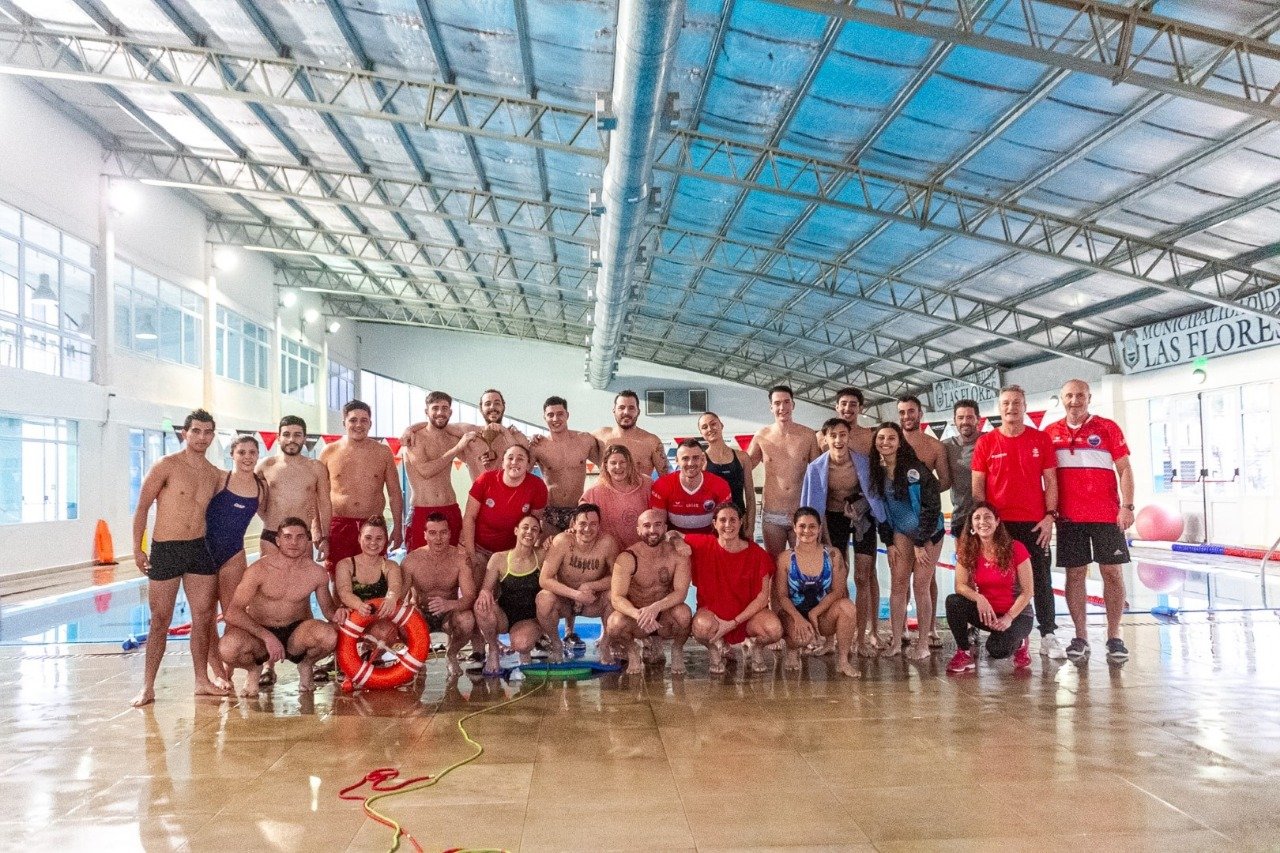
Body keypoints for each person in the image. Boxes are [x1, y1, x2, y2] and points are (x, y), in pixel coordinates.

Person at [130, 408, 227, 707]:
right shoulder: (166, 466)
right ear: (185, 433)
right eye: (196, 431)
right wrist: (137, 548)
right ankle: (147, 686)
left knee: (204, 617)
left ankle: (201, 680)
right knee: (160, 619)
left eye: (207, 432)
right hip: (167, 548)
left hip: (199, 548)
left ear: (213, 436)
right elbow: (142, 507)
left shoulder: (214, 474)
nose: (201, 437)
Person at [1044, 379, 1134, 662]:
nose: (1075, 401)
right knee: (1075, 575)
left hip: (1107, 515)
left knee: (1112, 573)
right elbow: (1044, 476)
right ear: (1062, 399)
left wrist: (1127, 506)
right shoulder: (1050, 433)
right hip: (1069, 517)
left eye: (1080, 395)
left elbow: (1125, 469)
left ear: (1089, 398)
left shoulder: (1107, 428)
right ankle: (1080, 636)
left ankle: (1114, 636)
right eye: (1069, 395)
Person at [972, 385, 1065, 659]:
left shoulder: (1041, 439)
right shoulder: (986, 442)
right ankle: (1006, 628)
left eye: (1016, 403)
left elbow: (1051, 481)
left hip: (1034, 524)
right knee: (999, 579)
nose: (1011, 408)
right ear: (999, 408)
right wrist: (986, 523)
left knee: (1041, 578)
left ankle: (1047, 634)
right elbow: (978, 488)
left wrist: (1050, 516)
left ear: (1024, 407)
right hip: (999, 525)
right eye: (1006, 403)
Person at [219, 518, 343, 696]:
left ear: (307, 541)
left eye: (300, 537)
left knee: (330, 636)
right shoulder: (259, 569)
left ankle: (306, 664)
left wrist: (341, 612)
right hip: (260, 634)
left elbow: (329, 611)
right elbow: (233, 612)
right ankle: (254, 669)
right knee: (228, 648)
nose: (294, 542)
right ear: (278, 541)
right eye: (288, 537)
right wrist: (267, 636)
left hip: (296, 633)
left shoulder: (316, 572)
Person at [800, 416, 885, 657]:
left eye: (843, 435)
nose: (838, 440)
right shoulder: (816, 468)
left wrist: (861, 506)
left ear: (849, 437)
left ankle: (861, 639)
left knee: (863, 576)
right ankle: (831, 640)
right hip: (832, 520)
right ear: (825, 439)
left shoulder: (864, 463)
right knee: (835, 578)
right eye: (833, 436)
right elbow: (814, 507)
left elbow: (875, 495)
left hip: (862, 519)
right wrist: (823, 539)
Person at [869, 422, 944, 660]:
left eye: (891, 438)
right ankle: (896, 642)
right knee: (898, 585)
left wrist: (920, 542)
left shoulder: (915, 470)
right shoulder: (877, 472)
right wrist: (889, 542)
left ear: (900, 442)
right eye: (881, 438)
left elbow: (932, 506)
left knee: (921, 586)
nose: (885, 442)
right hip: (901, 532)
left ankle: (922, 643)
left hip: (929, 533)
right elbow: (881, 512)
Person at [683, 502, 781, 675]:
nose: (728, 525)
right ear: (714, 524)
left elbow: (762, 597)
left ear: (741, 522)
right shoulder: (703, 544)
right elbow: (672, 534)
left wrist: (733, 623)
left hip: (748, 617)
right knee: (701, 628)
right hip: (714, 615)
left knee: (773, 629)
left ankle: (756, 648)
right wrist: (678, 543)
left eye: (733, 520)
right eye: (723, 520)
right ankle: (715, 649)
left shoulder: (757, 554)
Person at [819, 388, 883, 650]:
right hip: (833, 514)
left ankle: (871, 631)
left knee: (866, 574)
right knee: (837, 573)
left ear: (860, 408)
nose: (848, 408)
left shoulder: (869, 437)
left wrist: (863, 504)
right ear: (836, 407)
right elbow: (816, 477)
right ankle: (837, 633)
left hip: (863, 514)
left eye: (853, 404)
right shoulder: (823, 436)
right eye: (843, 404)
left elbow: (877, 478)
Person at [204, 434, 269, 686]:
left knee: (233, 614)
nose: (247, 457)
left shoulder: (261, 488)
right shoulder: (220, 479)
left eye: (252, 452)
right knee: (206, 616)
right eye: (242, 452)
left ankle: (229, 666)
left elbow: (270, 518)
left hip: (234, 554)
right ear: (232, 454)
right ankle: (216, 671)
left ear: (258, 455)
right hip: (205, 552)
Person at [945, 502, 1035, 673]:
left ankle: (1021, 643)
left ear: (997, 522)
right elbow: (960, 586)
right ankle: (964, 653)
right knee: (954, 602)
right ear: (972, 524)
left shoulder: (1016, 548)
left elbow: (1028, 591)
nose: (982, 522)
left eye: (988, 517)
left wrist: (1008, 617)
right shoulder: (968, 550)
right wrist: (979, 598)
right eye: (977, 518)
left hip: (1017, 615)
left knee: (997, 650)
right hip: (989, 614)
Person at [604, 509, 693, 675]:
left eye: (658, 525)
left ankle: (677, 649)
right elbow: (616, 598)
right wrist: (639, 614)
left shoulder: (677, 555)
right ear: (638, 530)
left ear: (665, 528)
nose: (652, 530)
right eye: (646, 526)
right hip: (638, 620)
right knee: (614, 624)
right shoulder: (627, 557)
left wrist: (656, 608)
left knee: (684, 614)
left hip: (664, 617)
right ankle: (632, 649)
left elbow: (681, 593)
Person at [319, 400, 404, 573]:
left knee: (375, 577)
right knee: (339, 575)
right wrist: (318, 531)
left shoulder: (383, 452)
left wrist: (398, 527)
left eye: (364, 420)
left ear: (370, 424)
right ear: (344, 423)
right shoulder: (329, 452)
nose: (358, 425)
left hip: (373, 525)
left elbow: (395, 493)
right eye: (353, 420)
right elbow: (317, 496)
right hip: (339, 525)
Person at [775, 508, 858, 677]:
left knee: (848, 607)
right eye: (802, 526)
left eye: (812, 526)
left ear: (820, 528)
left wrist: (815, 612)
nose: (807, 531)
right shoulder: (785, 558)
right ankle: (792, 649)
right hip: (793, 615)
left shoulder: (833, 555)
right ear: (794, 527)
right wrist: (798, 618)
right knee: (801, 638)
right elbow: (782, 596)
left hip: (821, 617)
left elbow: (838, 591)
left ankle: (843, 661)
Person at [536, 503, 619, 662]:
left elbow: (617, 578)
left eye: (593, 524)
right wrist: (576, 594)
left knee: (613, 596)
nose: (587, 529)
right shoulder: (562, 541)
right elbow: (544, 579)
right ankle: (556, 643)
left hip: (592, 601)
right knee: (543, 599)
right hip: (565, 602)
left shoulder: (607, 543)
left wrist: (589, 586)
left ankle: (605, 644)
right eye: (582, 524)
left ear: (599, 525)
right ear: (573, 524)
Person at [897, 395, 950, 648]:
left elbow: (945, 481)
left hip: (927, 520)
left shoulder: (934, 446)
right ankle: (902, 627)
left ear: (920, 414)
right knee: (901, 575)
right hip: (901, 519)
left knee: (927, 578)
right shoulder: (891, 442)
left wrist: (922, 495)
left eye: (911, 411)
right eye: (902, 412)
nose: (906, 416)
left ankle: (929, 628)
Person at [747, 385, 821, 561]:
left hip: (801, 513)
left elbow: (819, 474)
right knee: (774, 565)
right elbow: (745, 466)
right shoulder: (762, 436)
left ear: (793, 405)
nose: (782, 407)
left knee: (803, 565)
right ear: (771, 407)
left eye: (786, 402)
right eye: (777, 403)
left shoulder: (808, 435)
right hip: (773, 513)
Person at [400, 391, 481, 549]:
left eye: (444, 408)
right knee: (419, 560)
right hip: (423, 509)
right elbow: (425, 471)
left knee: (455, 558)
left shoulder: (451, 438)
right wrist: (457, 448)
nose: (440, 412)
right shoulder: (415, 438)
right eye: (435, 408)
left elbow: (474, 458)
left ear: (450, 412)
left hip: (450, 508)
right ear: (426, 411)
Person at [401, 511, 477, 676]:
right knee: (404, 621)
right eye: (433, 533)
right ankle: (418, 656)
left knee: (467, 620)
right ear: (425, 535)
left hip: (448, 615)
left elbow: (470, 597)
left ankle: (451, 654)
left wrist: (449, 604)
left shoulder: (460, 559)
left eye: (443, 532)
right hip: (421, 613)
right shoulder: (411, 561)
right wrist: (410, 610)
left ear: (449, 534)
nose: (438, 538)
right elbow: (399, 599)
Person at [474, 514, 546, 676]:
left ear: (538, 535)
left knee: (521, 644)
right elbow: (486, 589)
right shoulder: (499, 558)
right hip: (504, 617)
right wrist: (484, 593)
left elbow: (562, 545)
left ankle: (526, 650)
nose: (529, 532)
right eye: (525, 527)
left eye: (534, 529)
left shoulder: (542, 555)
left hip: (530, 618)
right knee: (481, 605)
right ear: (516, 531)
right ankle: (493, 650)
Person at [257, 415, 331, 558]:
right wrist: (264, 515)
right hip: (271, 534)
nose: (291, 439)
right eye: (286, 434)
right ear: (278, 438)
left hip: (302, 535)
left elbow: (325, 503)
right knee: (270, 573)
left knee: (303, 573)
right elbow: (250, 494)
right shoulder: (265, 465)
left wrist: (325, 537)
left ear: (304, 438)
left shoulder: (316, 467)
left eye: (297, 435)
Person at [529, 396, 601, 536]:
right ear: (544, 418)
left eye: (560, 414)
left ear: (567, 415)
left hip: (577, 511)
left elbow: (605, 466)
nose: (555, 419)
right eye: (550, 415)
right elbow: (520, 475)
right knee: (548, 548)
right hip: (550, 512)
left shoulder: (585, 440)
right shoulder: (538, 446)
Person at [333, 516, 405, 652]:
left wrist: (391, 598)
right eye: (368, 538)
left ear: (385, 541)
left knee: (386, 631)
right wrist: (359, 605)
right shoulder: (345, 565)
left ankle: (374, 656)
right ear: (359, 538)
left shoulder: (391, 566)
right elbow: (344, 592)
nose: (373, 543)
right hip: (352, 616)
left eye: (379, 538)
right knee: (332, 630)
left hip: (379, 620)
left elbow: (395, 587)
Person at [649, 438, 732, 534]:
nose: (691, 463)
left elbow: (725, 529)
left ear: (703, 459)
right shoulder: (662, 485)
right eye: (685, 458)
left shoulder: (720, 485)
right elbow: (659, 529)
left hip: (710, 541)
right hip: (674, 541)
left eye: (695, 458)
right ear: (677, 460)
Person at [581, 444, 653, 549]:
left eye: (622, 462)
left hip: (644, 549)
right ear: (606, 465)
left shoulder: (646, 484)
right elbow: (580, 515)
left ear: (629, 463)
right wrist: (573, 527)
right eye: (613, 463)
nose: (618, 467)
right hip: (611, 551)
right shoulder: (595, 491)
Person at [697, 411, 756, 534]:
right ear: (701, 433)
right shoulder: (701, 460)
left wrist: (750, 527)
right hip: (713, 525)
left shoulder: (742, 457)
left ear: (721, 425)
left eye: (713, 424)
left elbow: (750, 496)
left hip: (739, 522)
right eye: (704, 427)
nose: (710, 429)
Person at [592, 390, 669, 479]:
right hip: (606, 488)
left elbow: (667, 478)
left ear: (638, 411)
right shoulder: (599, 436)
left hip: (641, 488)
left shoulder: (651, 441)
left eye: (631, 408)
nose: (626, 412)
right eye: (621, 407)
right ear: (614, 410)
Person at [461, 389, 530, 478]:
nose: (492, 407)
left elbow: (525, 469)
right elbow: (445, 427)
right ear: (481, 409)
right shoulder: (469, 434)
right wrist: (459, 446)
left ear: (503, 407)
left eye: (497, 403)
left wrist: (505, 432)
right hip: (480, 487)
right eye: (487, 404)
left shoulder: (517, 437)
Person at [942, 399, 981, 539]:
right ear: (954, 420)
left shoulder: (989, 441)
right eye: (960, 417)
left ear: (978, 419)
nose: (965, 421)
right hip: (961, 517)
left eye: (969, 417)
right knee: (962, 555)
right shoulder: (946, 446)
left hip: (988, 516)